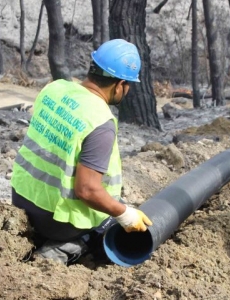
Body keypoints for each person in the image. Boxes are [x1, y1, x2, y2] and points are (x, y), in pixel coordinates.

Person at [10, 39, 152, 265]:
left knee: (112, 205)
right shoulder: (100, 121)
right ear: (120, 85)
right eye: (128, 87)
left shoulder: (55, 89)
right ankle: (56, 254)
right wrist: (124, 214)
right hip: (54, 220)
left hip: (22, 199)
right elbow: (87, 190)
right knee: (109, 216)